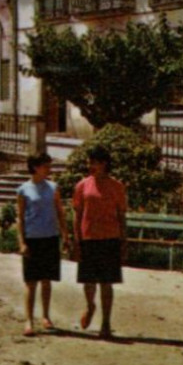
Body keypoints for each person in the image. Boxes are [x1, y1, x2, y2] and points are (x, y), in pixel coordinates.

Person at [72, 143, 127, 339]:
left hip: (110, 238)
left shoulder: (116, 186)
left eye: (94, 162)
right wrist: (76, 240)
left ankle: (106, 323)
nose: (90, 165)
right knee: (88, 282)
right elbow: (77, 215)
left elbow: (121, 216)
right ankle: (90, 306)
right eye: (89, 162)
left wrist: (123, 241)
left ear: (104, 164)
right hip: (88, 238)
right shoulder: (82, 186)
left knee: (106, 283)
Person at [16, 152, 70, 336]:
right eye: (46, 166)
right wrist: (22, 242)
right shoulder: (23, 190)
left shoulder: (53, 187)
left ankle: (46, 316)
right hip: (32, 238)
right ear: (35, 167)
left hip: (50, 237)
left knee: (47, 280)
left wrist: (65, 236)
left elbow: (60, 213)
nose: (49, 169)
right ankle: (29, 320)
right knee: (31, 282)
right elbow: (20, 218)